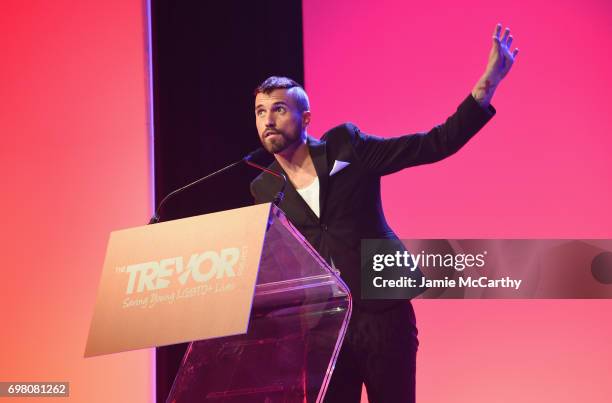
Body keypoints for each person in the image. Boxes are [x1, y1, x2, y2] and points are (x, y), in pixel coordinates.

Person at [250, 24, 518, 403]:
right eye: (260, 111)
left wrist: (485, 89)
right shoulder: (263, 188)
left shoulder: (347, 146)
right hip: (326, 327)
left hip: (383, 311)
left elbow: (433, 144)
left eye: (279, 108)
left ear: (306, 117)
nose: (268, 120)